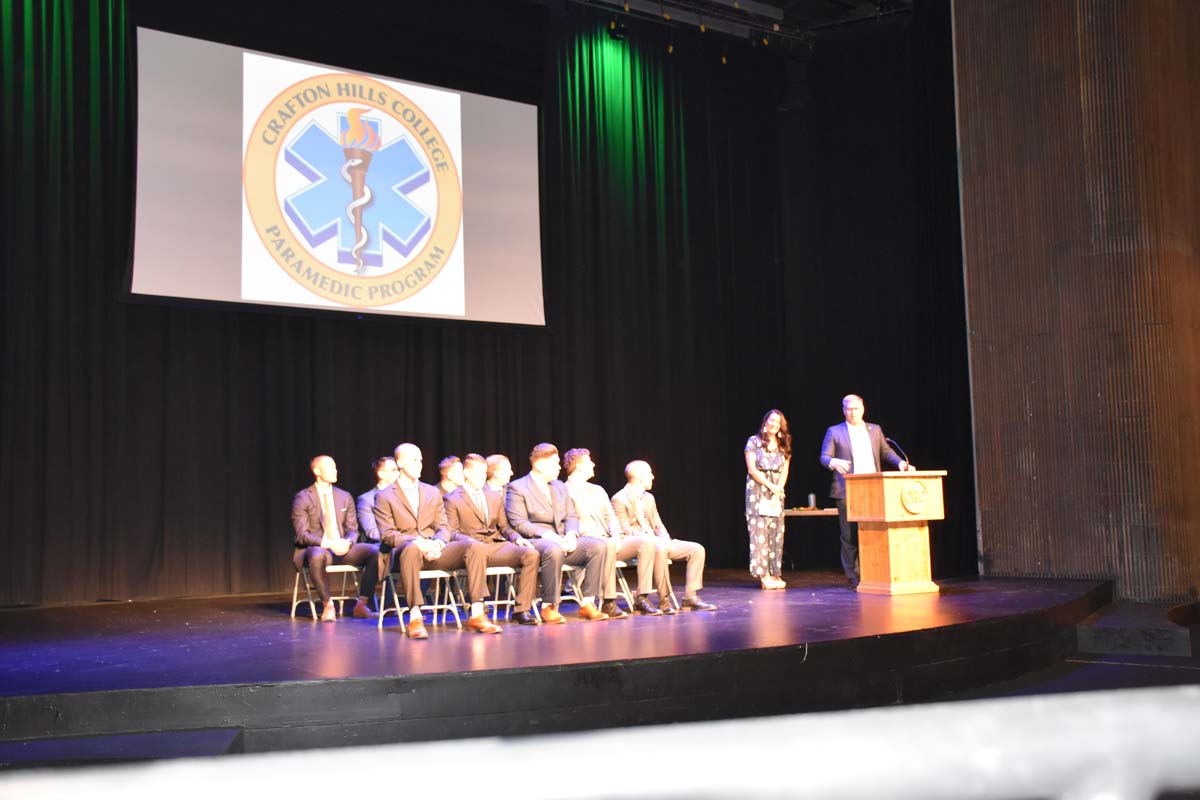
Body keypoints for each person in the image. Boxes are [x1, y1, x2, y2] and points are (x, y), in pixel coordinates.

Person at [373, 443, 497, 637]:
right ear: (400, 463)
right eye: (414, 460)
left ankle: (477, 613)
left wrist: (438, 543)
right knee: (412, 549)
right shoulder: (384, 496)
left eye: (421, 460)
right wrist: (418, 542)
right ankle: (415, 616)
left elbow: (443, 527)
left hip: (434, 549)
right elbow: (388, 534)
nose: (419, 464)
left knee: (475, 547)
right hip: (405, 553)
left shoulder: (431, 492)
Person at [505, 443, 609, 623]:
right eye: (554, 463)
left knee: (597, 546)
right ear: (539, 465)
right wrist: (549, 536)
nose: (559, 467)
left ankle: (588, 603)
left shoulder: (559, 487)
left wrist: (571, 535)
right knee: (553, 549)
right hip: (536, 541)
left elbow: (571, 516)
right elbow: (518, 522)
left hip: (562, 539)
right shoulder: (518, 487)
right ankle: (549, 606)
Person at [819, 394, 913, 588]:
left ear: (863, 409)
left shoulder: (875, 429)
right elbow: (824, 456)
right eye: (848, 409)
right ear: (843, 410)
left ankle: (873, 571)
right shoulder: (834, 431)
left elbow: (886, 452)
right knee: (849, 536)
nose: (852, 412)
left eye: (855, 409)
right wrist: (833, 462)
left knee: (873, 531)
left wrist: (901, 463)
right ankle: (853, 577)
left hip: (874, 489)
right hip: (847, 489)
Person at [564, 448, 667, 619]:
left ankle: (641, 597)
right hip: (587, 542)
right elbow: (567, 521)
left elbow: (610, 516)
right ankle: (608, 602)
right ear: (580, 466)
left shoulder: (597, 490)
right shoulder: (564, 490)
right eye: (589, 461)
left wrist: (617, 534)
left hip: (610, 539)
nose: (594, 464)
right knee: (607, 545)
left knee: (646, 542)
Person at [443, 453, 541, 625]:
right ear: (466, 473)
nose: (483, 477)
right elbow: (452, 532)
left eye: (484, 472)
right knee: (477, 550)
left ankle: (522, 609)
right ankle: (480, 610)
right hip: (471, 548)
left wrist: (517, 538)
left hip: (494, 545)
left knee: (530, 554)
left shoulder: (493, 496)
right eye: (479, 473)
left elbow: (504, 527)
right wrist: (469, 541)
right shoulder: (452, 498)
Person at [611, 461, 716, 611]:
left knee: (697, 549)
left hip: (658, 541)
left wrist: (666, 539)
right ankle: (663, 599)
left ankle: (690, 597)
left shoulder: (649, 498)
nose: (653, 477)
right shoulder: (619, 499)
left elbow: (658, 524)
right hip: (641, 546)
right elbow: (626, 530)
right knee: (658, 546)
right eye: (649, 474)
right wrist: (654, 541)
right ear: (640, 477)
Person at [290, 455, 380, 622]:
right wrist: (329, 543)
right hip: (318, 548)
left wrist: (348, 542)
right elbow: (302, 535)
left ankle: (362, 603)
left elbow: (353, 530)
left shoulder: (344, 496)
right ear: (317, 471)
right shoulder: (303, 497)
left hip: (341, 548)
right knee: (317, 555)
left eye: (335, 467)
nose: (335, 470)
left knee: (375, 551)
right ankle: (327, 604)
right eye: (330, 467)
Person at [745, 409, 792, 590]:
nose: (774, 424)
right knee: (759, 532)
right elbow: (752, 469)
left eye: (777, 422)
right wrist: (771, 486)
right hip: (758, 490)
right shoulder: (753, 442)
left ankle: (775, 573)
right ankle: (763, 574)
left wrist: (779, 488)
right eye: (771, 421)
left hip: (776, 492)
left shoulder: (783, 443)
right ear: (765, 422)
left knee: (776, 531)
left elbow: (785, 469)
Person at [356, 456, 399, 543]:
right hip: (383, 545)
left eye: (398, 470)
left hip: (408, 541)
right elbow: (372, 532)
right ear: (381, 474)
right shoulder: (366, 499)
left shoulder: (402, 495)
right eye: (394, 470)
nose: (398, 473)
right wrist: (399, 540)